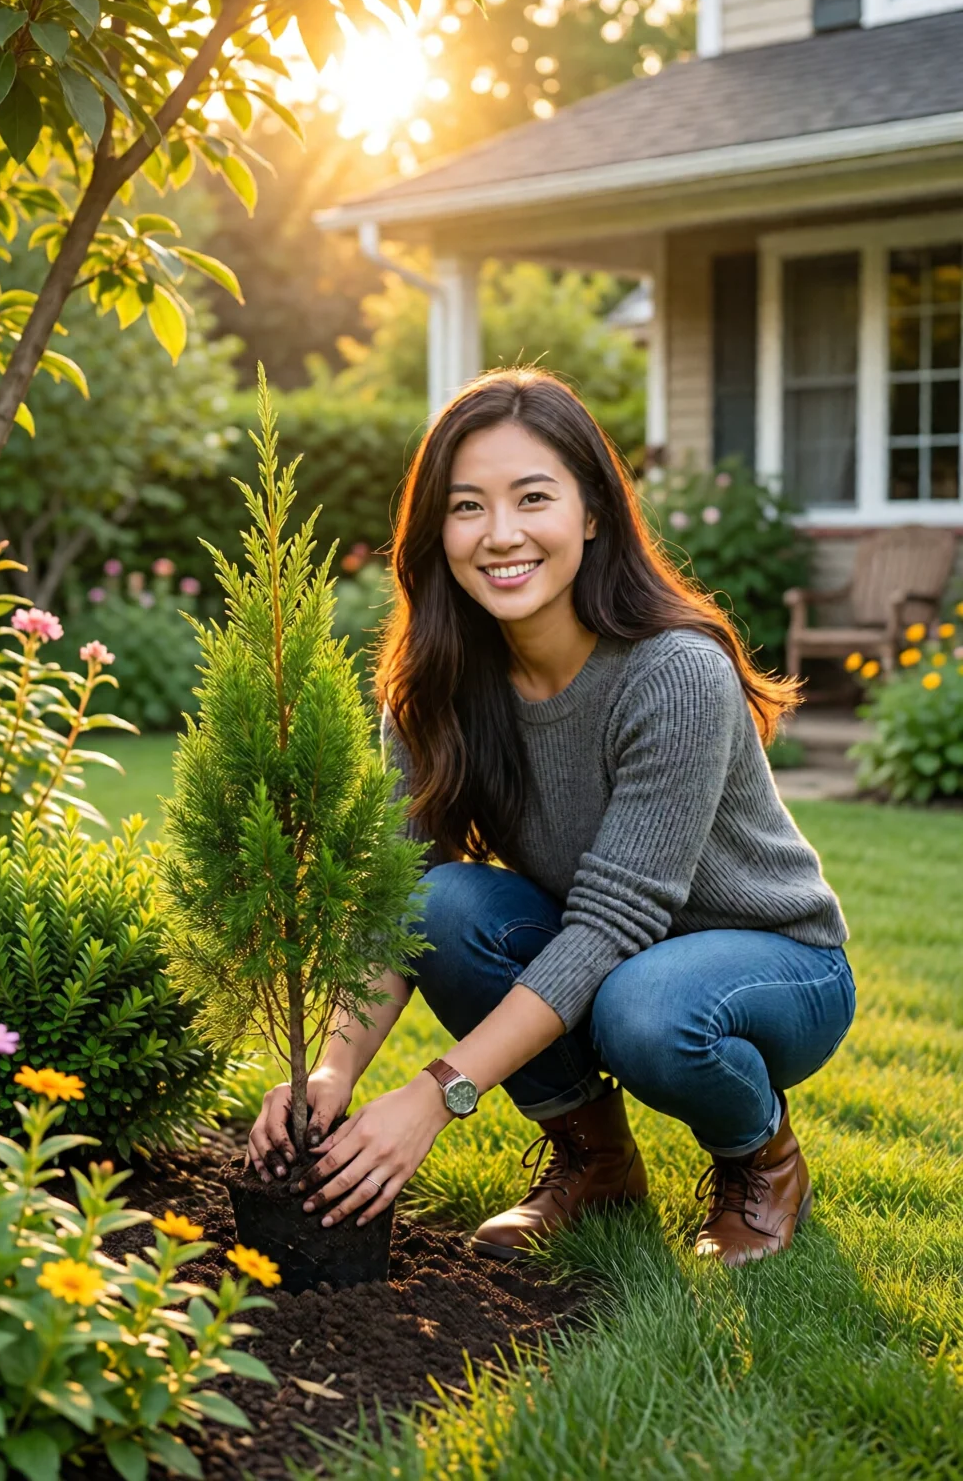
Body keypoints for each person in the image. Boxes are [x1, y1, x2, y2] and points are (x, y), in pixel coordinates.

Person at [246, 369, 855, 1268]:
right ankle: (596, 1162)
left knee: (647, 1006)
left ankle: (760, 1158)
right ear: (436, 529)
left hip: (775, 968)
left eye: (533, 498)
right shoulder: (433, 691)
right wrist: (332, 1069)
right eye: (467, 506)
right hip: (612, 960)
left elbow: (613, 924)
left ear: (593, 512)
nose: (500, 534)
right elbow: (391, 904)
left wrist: (436, 1094)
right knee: (444, 905)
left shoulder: (674, 673)